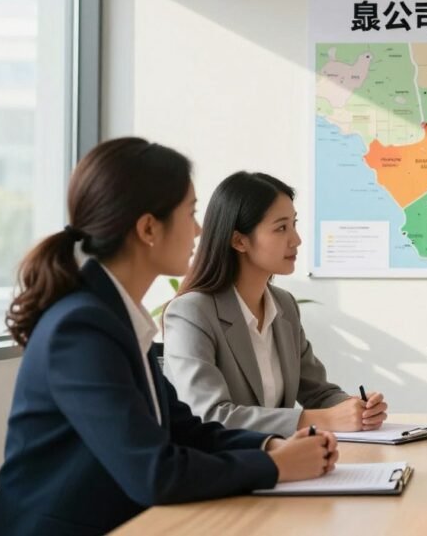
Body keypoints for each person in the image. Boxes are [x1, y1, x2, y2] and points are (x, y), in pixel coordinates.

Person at [0, 139, 338, 536]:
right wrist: (275, 467)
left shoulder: (114, 316)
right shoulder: (81, 329)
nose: (200, 229)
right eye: (190, 212)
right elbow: (154, 473)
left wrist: (271, 447)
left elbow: (184, 429)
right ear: (148, 228)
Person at [163, 171, 387, 435]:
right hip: (222, 468)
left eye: (294, 224)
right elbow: (210, 416)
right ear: (239, 240)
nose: (296, 239)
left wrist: (356, 408)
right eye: (281, 228)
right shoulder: (191, 313)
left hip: (283, 461)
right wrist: (323, 420)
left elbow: (317, 393)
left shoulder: (284, 306)